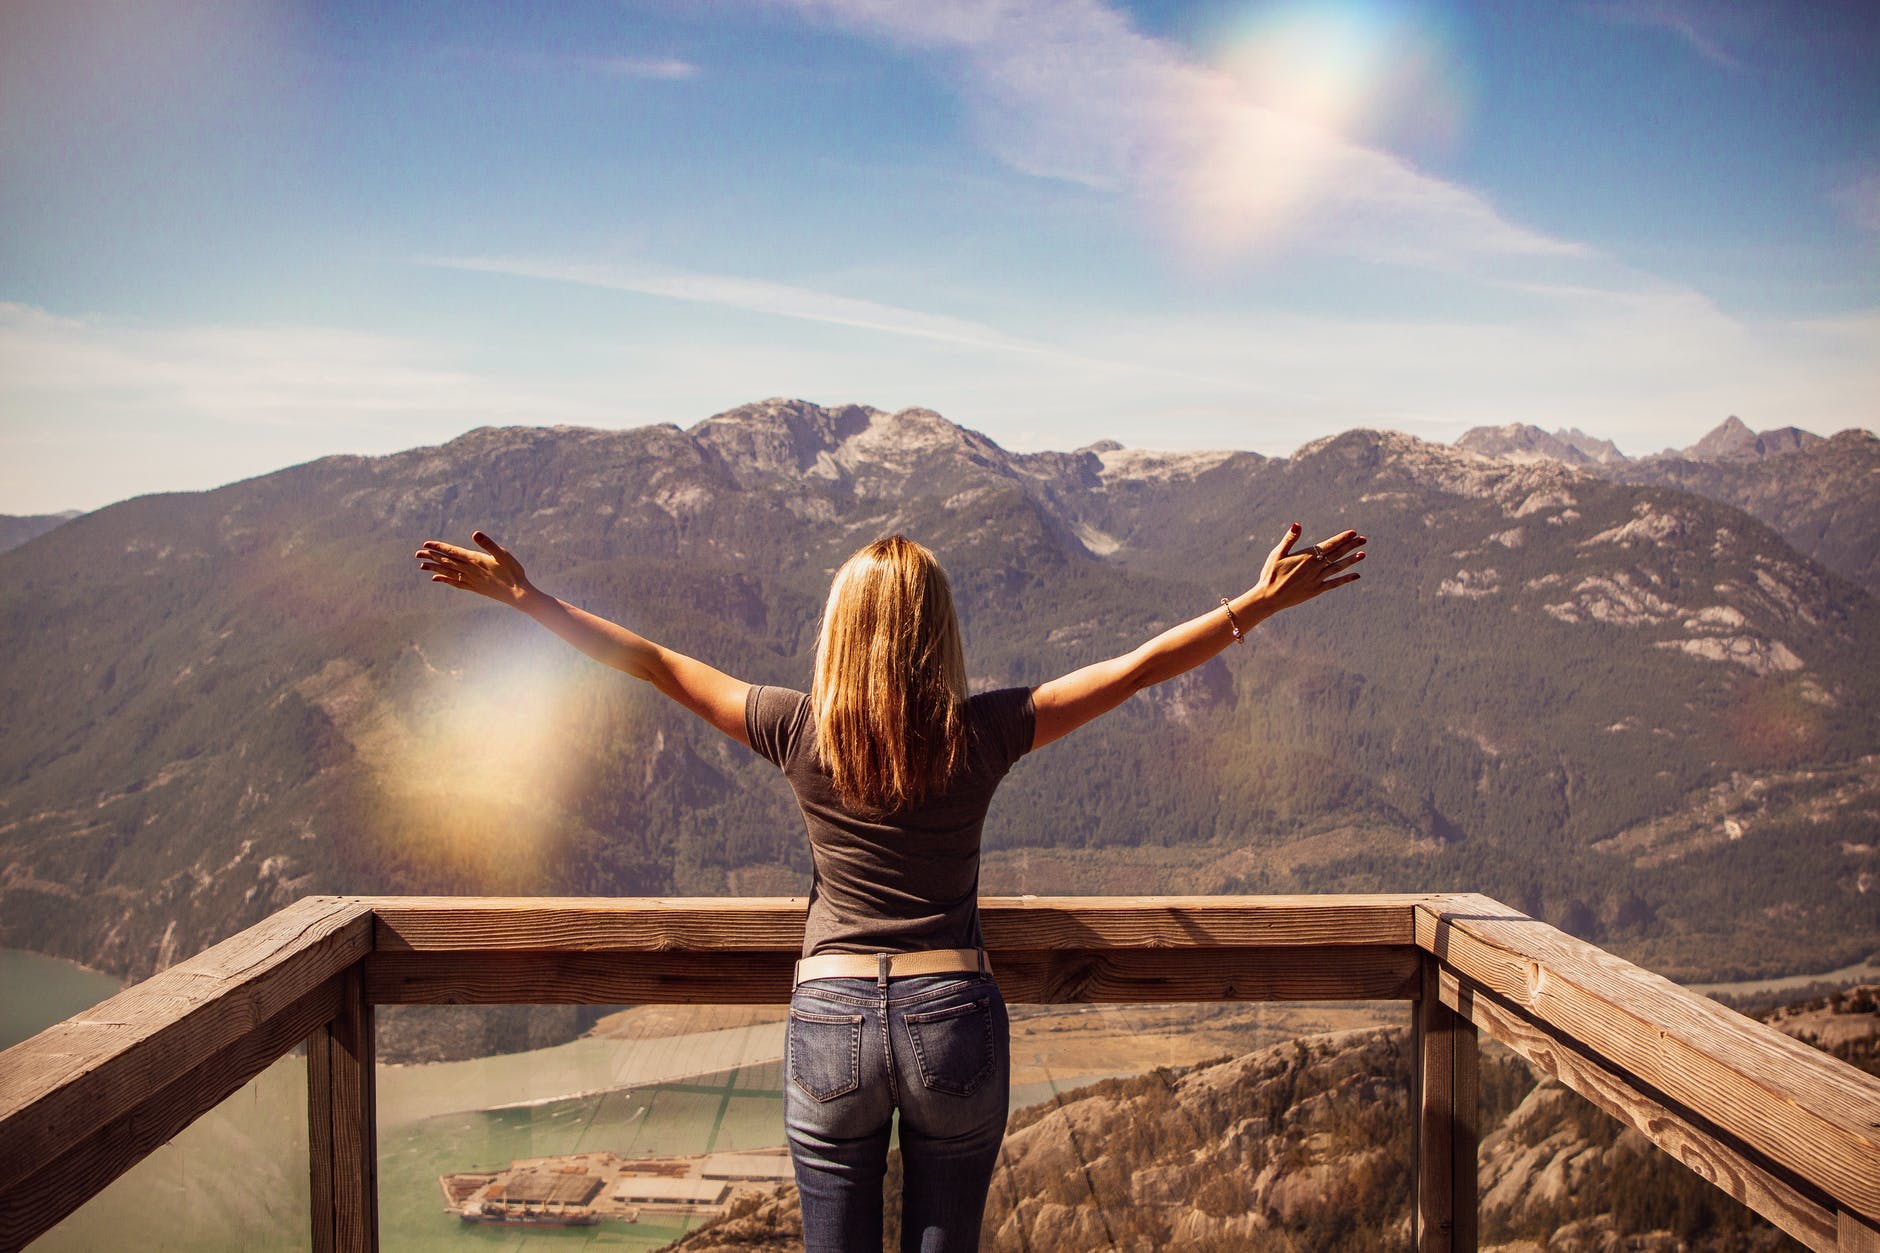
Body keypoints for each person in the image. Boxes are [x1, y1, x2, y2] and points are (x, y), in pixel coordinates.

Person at [414, 521, 1364, 1252]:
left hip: (830, 1013)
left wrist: (529, 599)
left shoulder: (796, 729)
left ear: (839, 629)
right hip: (951, 1009)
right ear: (938, 632)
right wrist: (1254, 605)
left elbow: (653, 661)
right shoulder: (985, 730)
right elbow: (1135, 669)